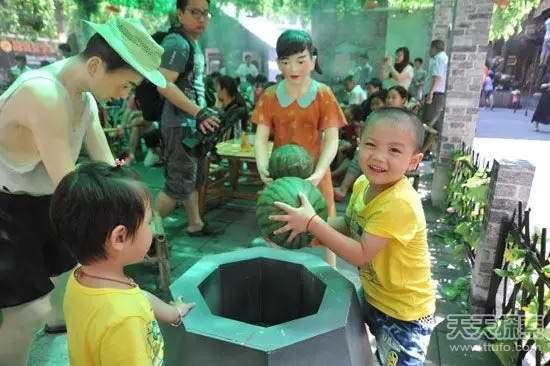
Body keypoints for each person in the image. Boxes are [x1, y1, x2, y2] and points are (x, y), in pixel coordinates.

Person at [0, 17, 166, 365]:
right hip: (7, 203)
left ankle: (58, 331)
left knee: (71, 277)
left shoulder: (85, 101)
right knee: (28, 310)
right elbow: (71, 186)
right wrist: (134, 228)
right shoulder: (43, 94)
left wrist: (140, 206)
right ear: (95, 66)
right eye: (127, 85)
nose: (127, 95)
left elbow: (108, 168)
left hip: (45, 197)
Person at [271, 107, 436, 365]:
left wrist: (313, 224)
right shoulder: (362, 184)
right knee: (354, 346)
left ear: (414, 161)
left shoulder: (399, 203)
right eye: (371, 144)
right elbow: (350, 225)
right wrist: (308, 229)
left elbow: (360, 255)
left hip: (405, 315)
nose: (379, 157)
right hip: (374, 296)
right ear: (359, 144)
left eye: (394, 150)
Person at [50, 162, 194, 365]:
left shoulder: (82, 279)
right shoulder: (126, 319)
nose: (152, 230)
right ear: (119, 237)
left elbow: (139, 295)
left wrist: (174, 313)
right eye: (148, 222)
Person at [253, 29, 346, 267]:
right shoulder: (270, 96)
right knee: (275, 220)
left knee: (324, 224)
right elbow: (261, 137)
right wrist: (262, 166)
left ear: (313, 61)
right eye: (286, 62)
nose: (293, 68)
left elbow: (332, 138)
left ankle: (333, 272)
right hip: (280, 174)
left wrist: (319, 172)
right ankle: (275, 269)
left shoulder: (323, 94)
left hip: (316, 172)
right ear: (278, 64)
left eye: (300, 61)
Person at [154, 0, 223, 236]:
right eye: (194, 12)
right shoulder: (177, 44)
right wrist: (199, 112)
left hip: (191, 125)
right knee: (177, 185)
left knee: (192, 179)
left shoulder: (190, 42)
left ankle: (195, 223)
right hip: (180, 125)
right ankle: (142, 232)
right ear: (180, 14)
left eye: (205, 13)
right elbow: (163, 84)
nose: (201, 18)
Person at [334, 90, 386, 202]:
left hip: (382, 153)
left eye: (378, 103)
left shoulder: (391, 120)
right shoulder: (371, 119)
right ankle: (340, 183)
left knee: (357, 154)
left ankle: (341, 186)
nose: (374, 107)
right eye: (373, 104)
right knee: (357, 152)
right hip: (367, 149)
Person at [422, 39, 448, 131]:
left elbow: (437, 76)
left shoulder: (439, 58)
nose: (429, 51)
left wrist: (431, 93)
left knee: (427, 123)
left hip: (435, 94)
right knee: (430, 123)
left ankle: (426, 145)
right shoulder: (442, 58)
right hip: (436, 93)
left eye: (430, 48)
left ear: (434, 48)